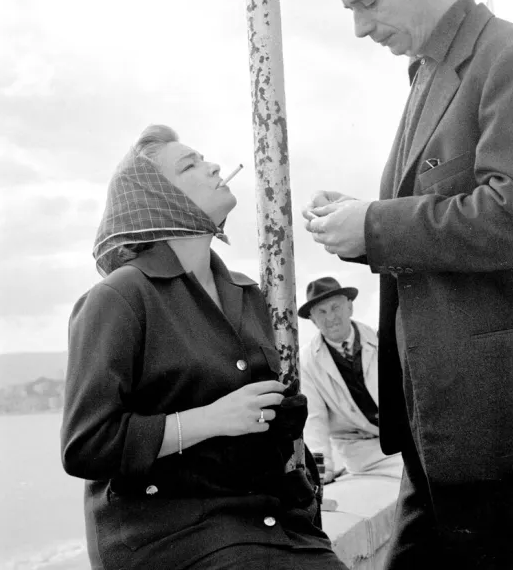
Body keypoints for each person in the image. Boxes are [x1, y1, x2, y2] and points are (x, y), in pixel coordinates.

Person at [303, 0, 513, 569]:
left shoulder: (512, 57)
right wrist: (358, 221)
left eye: (369, 2)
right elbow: (438, 216)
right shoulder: (429, 74)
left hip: (494, 429)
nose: (360, 27)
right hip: (435, 424)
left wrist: (375, 224)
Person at [61, 124, 348, 570]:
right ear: (157, 198)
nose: (213, 165)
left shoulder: (247, 293)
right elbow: (87, 445)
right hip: (167, 533)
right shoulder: (119, 297)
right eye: (190, 164)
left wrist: (278, 417)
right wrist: (211, 419)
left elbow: (249, 422)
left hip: (268, 520)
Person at [299, 277, 402, 483]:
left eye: (335, 308)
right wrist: (320, 471)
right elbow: (314, 420)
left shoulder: (382, 338)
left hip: (400, 441)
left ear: (349, 308)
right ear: (312, 319)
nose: (331, 318)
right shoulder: (307, 362)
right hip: (359, 452)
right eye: (322, 312)